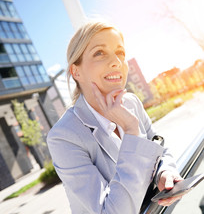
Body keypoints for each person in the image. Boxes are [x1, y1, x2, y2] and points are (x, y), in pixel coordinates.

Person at [47, 20, 183, 214]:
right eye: (99, 53)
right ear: (76, 71)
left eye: (120, 52)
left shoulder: (131, 103)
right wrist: (131, 130)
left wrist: (165, 172)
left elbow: (159, 148)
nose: (117, 62)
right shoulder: (63, 137)